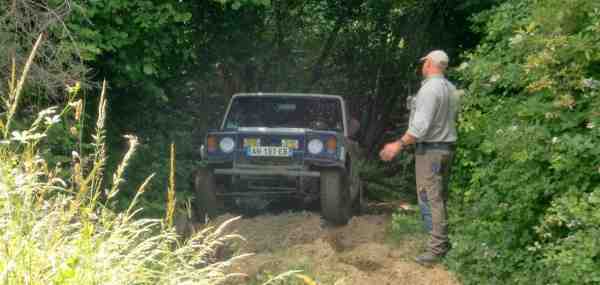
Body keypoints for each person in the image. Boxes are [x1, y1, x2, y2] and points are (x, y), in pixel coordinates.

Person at [379, 50, 459, 266]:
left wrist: (398, 144)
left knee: (429, 197)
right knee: (439, 197)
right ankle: (441, 242)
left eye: (424, 62)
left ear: (430, 64)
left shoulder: (429, 90)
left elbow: (420, 127)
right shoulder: (451, 89)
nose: (422, 66)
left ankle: (436, 250)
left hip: (430, 152)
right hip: (446, 149)